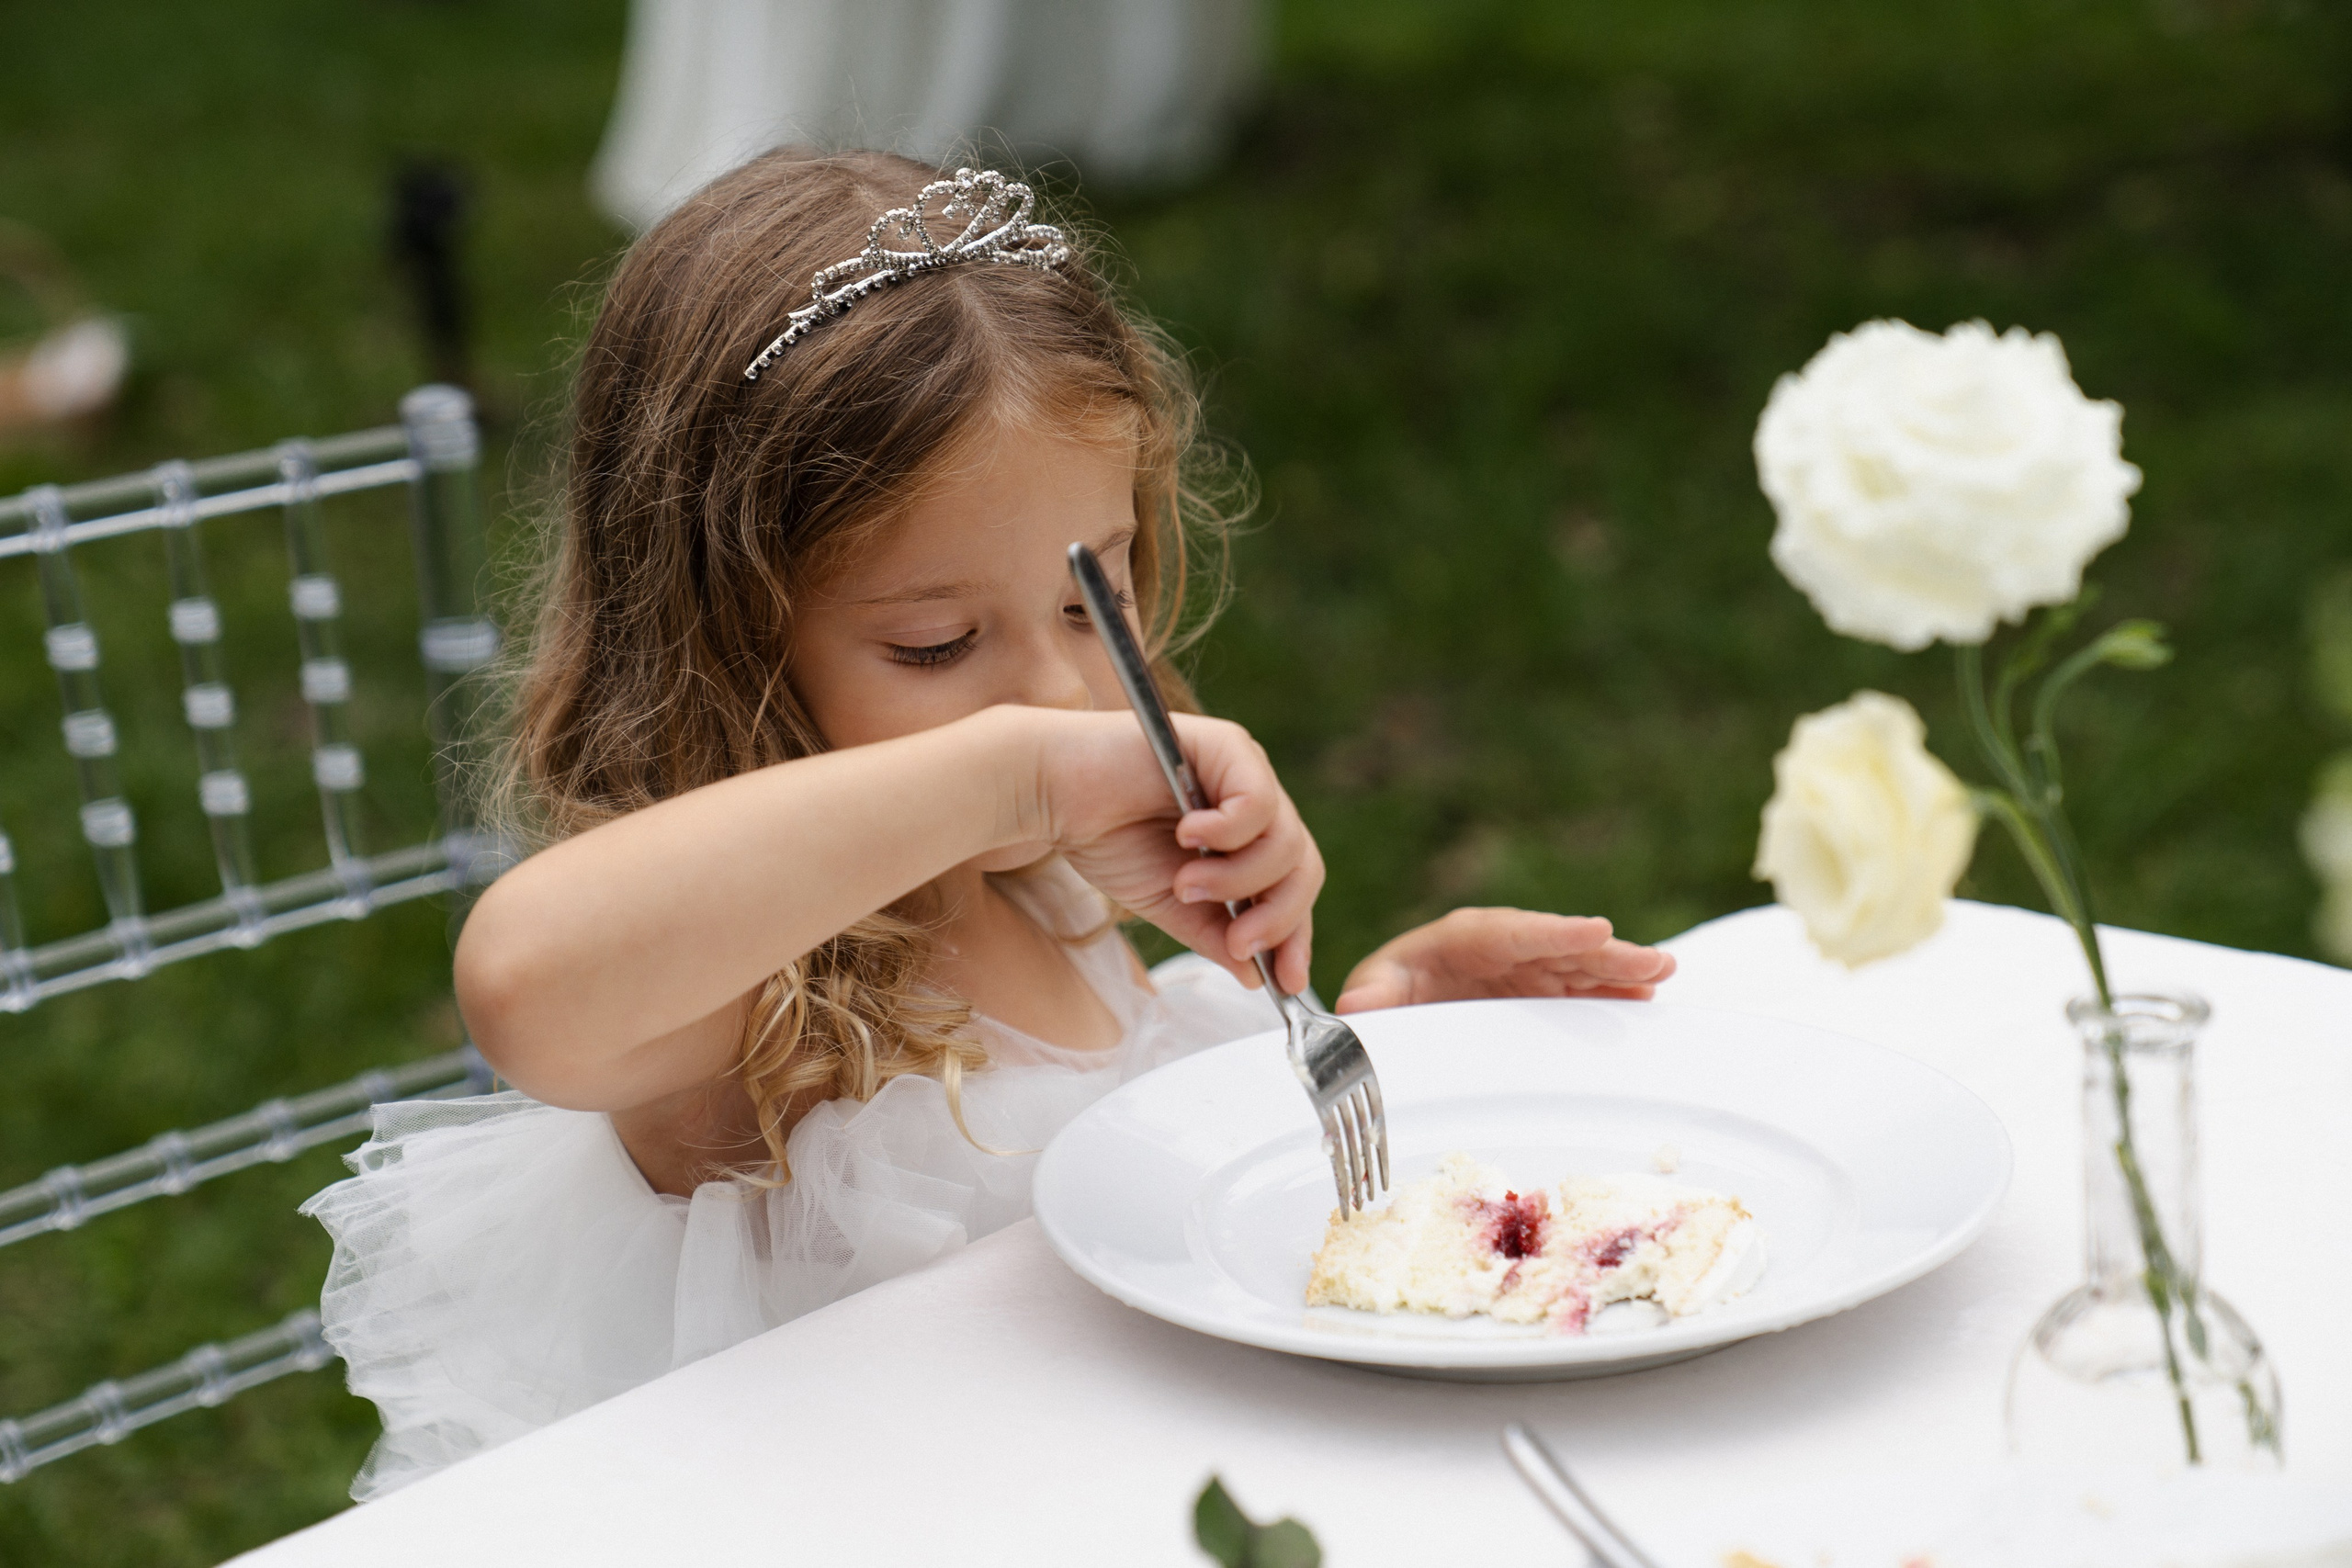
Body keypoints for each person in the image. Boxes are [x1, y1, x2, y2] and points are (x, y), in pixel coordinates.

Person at [302, 152, 1675, 1500]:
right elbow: (524, 983)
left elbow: (1118, 1163)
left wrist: (1384, 1007)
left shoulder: (1042, 884)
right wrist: (1011, 779)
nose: (1062, 693)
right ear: (728, 643)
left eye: (1096, 603)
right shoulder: (758, 999)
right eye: (940, 641)